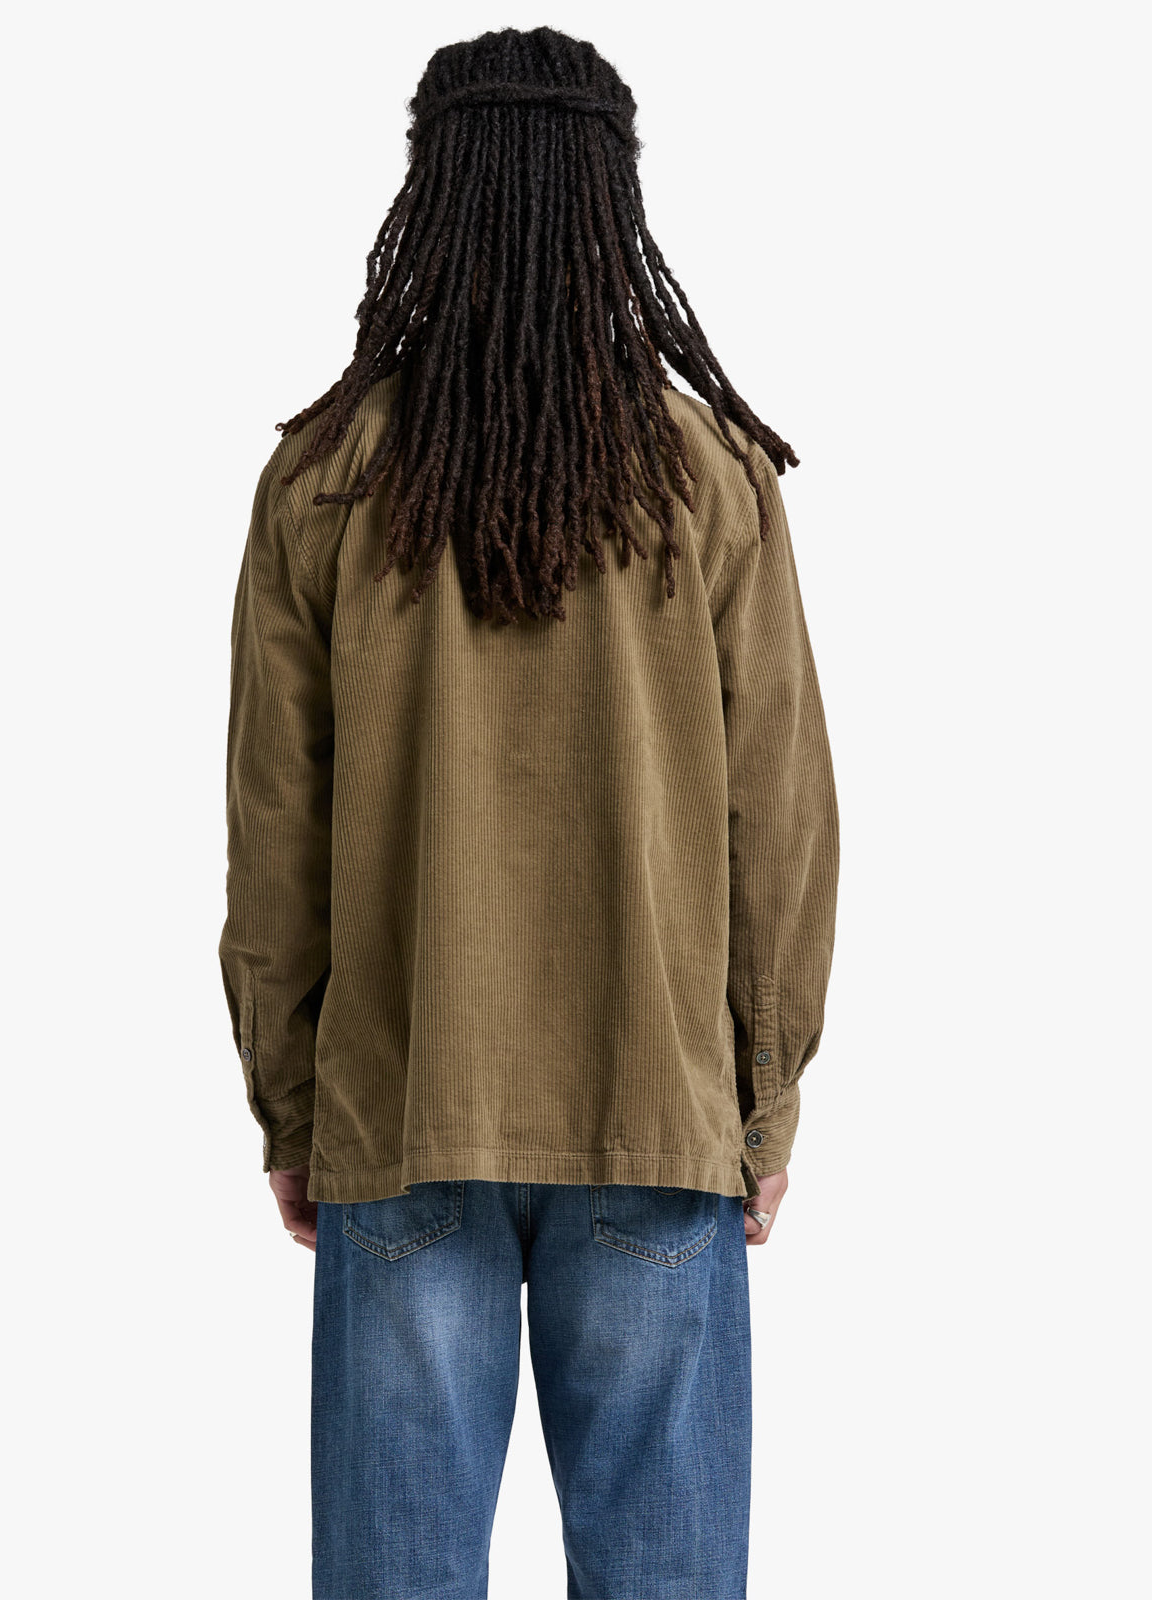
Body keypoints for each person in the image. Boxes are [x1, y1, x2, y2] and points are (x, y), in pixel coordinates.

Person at [218, 24, 839, 1600]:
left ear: (429, 197)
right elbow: (780, 818)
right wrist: (758, 1103)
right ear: (611, 205)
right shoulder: (708, 474)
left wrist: (291, 1106)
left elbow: (273, 830)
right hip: (652, 1109)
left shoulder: (325, 477)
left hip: (400, 1109)